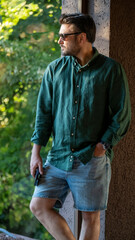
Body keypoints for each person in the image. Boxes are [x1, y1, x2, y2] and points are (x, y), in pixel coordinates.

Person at [30, 13, 131, 240]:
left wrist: (102, 147)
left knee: (89, 217)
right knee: (38, 206)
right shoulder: (54, 70)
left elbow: (122, 115)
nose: (59, 41)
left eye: (64, 36)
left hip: (90, 158)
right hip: (57, 157)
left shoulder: (111, 70)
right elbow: (43, 114)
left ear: (82, 37)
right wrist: (36, 152)